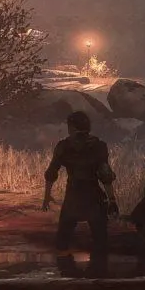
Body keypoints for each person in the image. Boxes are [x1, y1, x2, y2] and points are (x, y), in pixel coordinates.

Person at [42, 110, 118, 276]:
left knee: (63, 238)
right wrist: (112, 199)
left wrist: (47, 196)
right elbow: (105, 175)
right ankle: (99, 275)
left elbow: (51, 173)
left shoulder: (64, 146)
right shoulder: (98, 146)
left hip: (74, 194)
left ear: (72, 127)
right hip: (93, 194)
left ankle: (67, 274)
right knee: (99, 238)